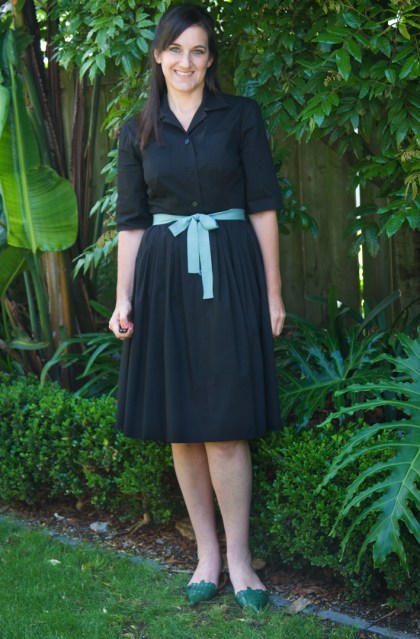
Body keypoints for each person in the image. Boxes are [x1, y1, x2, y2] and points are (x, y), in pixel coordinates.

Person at [109, 3, 285, 612]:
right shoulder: (137, 130)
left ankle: (241, 559)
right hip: (163, 278)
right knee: (182, 424)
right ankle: (206, 557)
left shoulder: (241, 116)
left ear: (210, 60)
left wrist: (273, 294)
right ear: (158, 55)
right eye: (176, 50)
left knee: (227, 423)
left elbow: (263, 205)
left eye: (199, 50)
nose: (186, 62)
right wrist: (123, 297)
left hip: (230, 270)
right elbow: (132, 222)